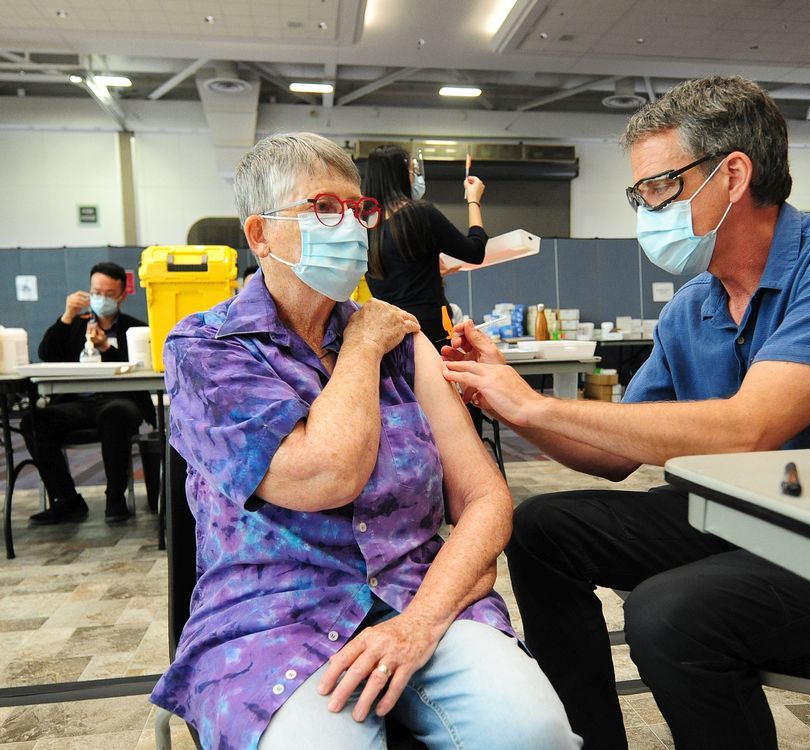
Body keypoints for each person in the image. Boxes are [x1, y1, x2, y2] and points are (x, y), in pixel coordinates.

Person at [441, 76, 810, 750]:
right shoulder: (694, 308)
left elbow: (749, 427)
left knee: (669, 615)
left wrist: (534, 402)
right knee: (540, 528)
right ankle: (587, 741)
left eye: (657, 187)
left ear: (733, 175)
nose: (645, 209)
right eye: (638, 194)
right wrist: (508, 399)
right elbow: (614, 455)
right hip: (751, 520)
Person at [149, 132, 580, 750]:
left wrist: (420, 624)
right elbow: (324, 475)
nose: (350, 225)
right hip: (271, 613)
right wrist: (359, 346)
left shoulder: (404, 343)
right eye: (324, 207)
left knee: (532, 734)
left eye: (359, 209)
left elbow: (486, 497)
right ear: (260, 235)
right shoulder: (208, 351)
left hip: (421, 596)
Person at [21, 261, 155, 525]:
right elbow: (47, 355)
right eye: (96, 292)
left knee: (114, 415)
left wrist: (106, 347)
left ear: (121, 295)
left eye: (108, 294)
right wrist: (67, 316)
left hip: (121, 402)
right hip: (78, 402)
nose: (101, 298)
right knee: (34, 423)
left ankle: (115, 499)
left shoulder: (133, 329)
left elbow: (141, 369)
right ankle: (67, 500)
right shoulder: (74, 324)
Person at [363, 144, 487, 347]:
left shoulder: (365, 223)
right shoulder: (420, 214)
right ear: (402, 175)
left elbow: (395, 276)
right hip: (427, 329)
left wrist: (429, 270)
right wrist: (473, 200)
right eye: (412, 171)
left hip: (387, 333)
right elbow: (475, 251)